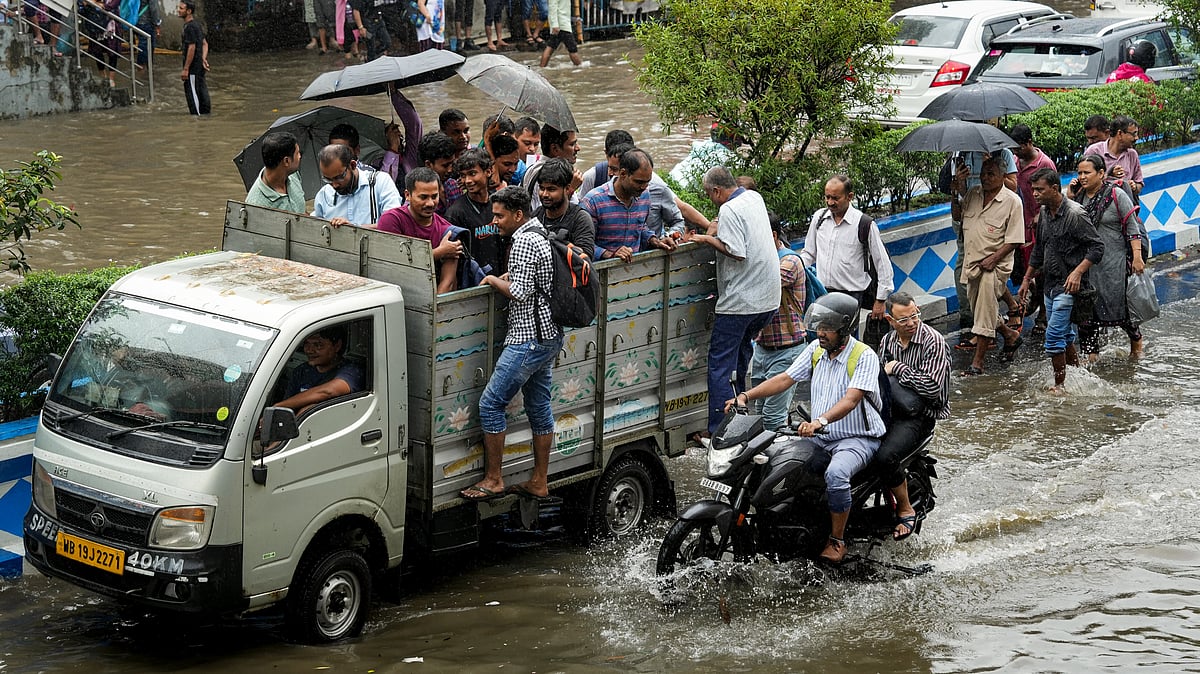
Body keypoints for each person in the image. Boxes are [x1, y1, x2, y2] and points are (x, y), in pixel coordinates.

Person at [728, 292, 884, 564]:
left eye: (827, 328)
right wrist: (746, 396)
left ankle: (837, 541)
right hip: (819, 436)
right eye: (819, 327)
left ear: (845, 329)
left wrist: (819, 421)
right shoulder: (815, 350)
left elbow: (851, 399)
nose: (821, 333)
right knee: (773, 460)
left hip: (856, 438)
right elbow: (785, 379)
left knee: (836, 474)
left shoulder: (864, 355)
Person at [460, 186, 561, 501]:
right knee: (539, 406)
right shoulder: (541, 233)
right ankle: (539, 480)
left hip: (527, 339)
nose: (495, 221)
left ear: (518, 215)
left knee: (490, 405)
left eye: (500, 215)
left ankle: (493, 479)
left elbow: (519, 291)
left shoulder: (522, 241)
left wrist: (492, 280)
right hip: (549, 336)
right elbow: (530, 281)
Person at [684, 166, 779, 440]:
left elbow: (737, 252)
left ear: (716, 190)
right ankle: (739, 420)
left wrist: (705, 238)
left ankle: (719, 429)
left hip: (742, 302)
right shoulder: (753, 197)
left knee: (719, 364)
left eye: (708, 194)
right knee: (740, 358)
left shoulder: (729, 209)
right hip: (767, 300)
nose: (710, 199)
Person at [1018, 169, 1104, 393]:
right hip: (1049, 283)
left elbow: (1097, 247)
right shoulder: (1045, 213)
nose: (1035, 194)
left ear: (1055, 189)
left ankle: (1060, 385)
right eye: (1033, 190)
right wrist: (1027, 279)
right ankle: (1077, 375)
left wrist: (1078, 272)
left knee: (1053, 336)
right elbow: (1039, 248)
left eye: (1040, 190)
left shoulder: (1076, 214)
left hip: (1069, 285)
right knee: (1065, 335)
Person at [876, 291, 951, 540]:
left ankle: (905, 508)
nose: (911, 323)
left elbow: (933, 388)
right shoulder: (887, 342)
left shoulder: (934, 342)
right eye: (904, 320)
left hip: (920, 415)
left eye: (915, 316)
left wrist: (898, 368)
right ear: (890, 320)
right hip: (891, 410)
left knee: (886, 456)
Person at [1065, 154, 1146, 359]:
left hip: (1114, 264)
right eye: (1080, 173)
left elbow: (1132, 228)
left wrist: (1137, 257)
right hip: (1088, 266)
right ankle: (1091, 358)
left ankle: (1136, 345)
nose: (1082, 177)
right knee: (1087, 311)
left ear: (1101, 173)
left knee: (1121, 309)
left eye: (1087, 172)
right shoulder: (1079, 198)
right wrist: (1070, 197)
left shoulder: (1116, 195)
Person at [799, 175, 894, 346]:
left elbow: (883, 263)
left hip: (850, 297)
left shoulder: (864, 224)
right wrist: (794, 269)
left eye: (835, 198)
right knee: (822, 342)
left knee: (846, 344)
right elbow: (809, 254)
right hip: (822, 293)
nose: (830, 202)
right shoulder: (819, 219)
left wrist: (880, 300)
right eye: (827, 197)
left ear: (850, 197)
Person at [950, 157, 1025, 375]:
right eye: (983, 173)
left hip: (995, 265)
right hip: (972, 263)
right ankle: (1010, 335)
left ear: (1003, 176)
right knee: (982, 309)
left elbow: (1015, 239)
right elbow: (957, 216)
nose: (985, 177)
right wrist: (955, 192)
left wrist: (993, 259)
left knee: (982, 313)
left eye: (991, 174)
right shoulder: (973, 194)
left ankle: (977, 363)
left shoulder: (1012, 202)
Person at [747, 212, 806, 433]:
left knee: (772, 418)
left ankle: (780, 463)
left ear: (772, 235)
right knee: (759, 415)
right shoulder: (764, 259)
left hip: (787, 351)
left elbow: (760, 284)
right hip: (763, 349)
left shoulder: (789, 261)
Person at [580, 148, 676, 262]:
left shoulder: (644, 195)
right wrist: (610, 254)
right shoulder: (593, 201)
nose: (644, 187)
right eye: (639, 182)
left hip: (634, 272)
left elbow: (640, 227)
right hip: (600, 273)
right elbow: (582, 244)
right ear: (623, 174)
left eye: (647, 182)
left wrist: (655, 240)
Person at [377, 167, 460, 293]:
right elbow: (394, 265)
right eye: (423, 197)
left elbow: (447, 283)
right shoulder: (392, 220)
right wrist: (438, 253)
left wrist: (435, 309)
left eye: (434, 196)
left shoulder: (447, 231)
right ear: (407, 195)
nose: (430, 203)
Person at [1012, 123, 1057, 335]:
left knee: (1042, 269)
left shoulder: (1044, 163)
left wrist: (1042, 212)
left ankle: (1043, 314)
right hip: (1020, 225)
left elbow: (1053, 193)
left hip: (1039, 223)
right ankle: (1034, 301)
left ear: (1029, 143)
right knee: (1025, 268)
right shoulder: (1014, 162)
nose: (1017, 154)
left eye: (1019, 148)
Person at [274, 326, 365, 415]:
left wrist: (279, 406)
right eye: (306, 344)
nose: (309, 350)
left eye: (318, 345)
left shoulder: (352, 371)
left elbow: (329, 391)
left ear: (337, 346)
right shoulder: (301, 371)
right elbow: (289, 406)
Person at [311, 143, 402, 227]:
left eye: (339, 177)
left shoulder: (380, 183)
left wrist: (354, 230)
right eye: (328, 179)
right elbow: (314, 228)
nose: (334, 185)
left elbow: (392, 225)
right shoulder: (324, 194)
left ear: (353, 165)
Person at [445, 148, 502, 275]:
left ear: (488, 171)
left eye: (472, 173)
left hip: (502, 277)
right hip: (475, 281)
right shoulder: (456, 213)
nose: (467, 181)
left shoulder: (500, 203)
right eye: (463, 175)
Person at [533, 157, 595, 258]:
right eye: (542, 188)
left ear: (567, 189)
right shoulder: (535, 217)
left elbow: (584, 258)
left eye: (551, 189)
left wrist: (557, 243)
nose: (544, 194)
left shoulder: (580, 219)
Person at [1085, 115, 1144, 202]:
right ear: (1120, 133)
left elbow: (1139, 183)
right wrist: (1109, 176)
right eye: (1133, 134)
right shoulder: (1094, 151)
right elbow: (1086, 183)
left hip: (1127, 210)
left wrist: (1134, 186)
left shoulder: (1132, 154)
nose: (1136, 138)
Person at [522, 124, 581, 211]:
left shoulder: (532, 168)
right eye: (572, 144)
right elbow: (546, 214)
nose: (578, 148)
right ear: (555, 149)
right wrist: (570, 190)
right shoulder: (545, 173)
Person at [245, 132, 306, 214]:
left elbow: (302, 211)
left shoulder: (293, 174)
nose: (300, 156)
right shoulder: (255, 205)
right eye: (297, 153)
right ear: (286, 161)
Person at [178, 0, 210, 115]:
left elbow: (192, 47)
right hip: (199, 67)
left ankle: (197, 120)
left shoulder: (190, 27)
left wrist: (186, 68)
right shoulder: (197, 25)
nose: (178, 10)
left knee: (193, 96)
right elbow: (205, 44)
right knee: (202, 93)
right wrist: (203, 59)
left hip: (192, 69)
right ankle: (206, 117)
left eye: (181, 8)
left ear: (189, 11)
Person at [418, 131, 462, 212]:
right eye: (445, 166)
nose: (450, 170)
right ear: (428, 164)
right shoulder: (418, 195)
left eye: (452, 163)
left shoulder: (454, 185)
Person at [539, 0, 580, 68]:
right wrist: (555, 24)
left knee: (550, 47)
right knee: (572, 49)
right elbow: (552, 8)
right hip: (561, 25)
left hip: (562, 23)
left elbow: (564, 8)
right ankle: (580, 66)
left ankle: (541, 67)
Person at [135, 0, 161, 71]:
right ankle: (143, 70)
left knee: (142, 46)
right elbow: (154, 9)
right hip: (146, 22)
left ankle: (141, 69)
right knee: (147, 47)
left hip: (136, 21)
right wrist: (157, 24)